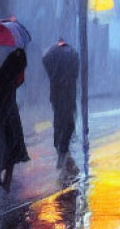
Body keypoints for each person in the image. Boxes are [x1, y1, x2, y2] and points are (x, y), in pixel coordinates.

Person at [0, 48, 30, 192]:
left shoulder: (5, 72)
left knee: (3, 144)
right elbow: (7, 90)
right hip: (4, 111)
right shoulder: (10, 74)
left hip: (2, 110)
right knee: (10, 145)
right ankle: (4, 181)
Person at [42, 38, 79, 168]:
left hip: (57, 94)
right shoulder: (72, 56)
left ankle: (60, 148)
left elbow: (46, 65)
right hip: (67, 94)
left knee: (59, 120)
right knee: (68, 123)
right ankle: (62, 149)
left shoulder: (51, 57)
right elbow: (76, 74)